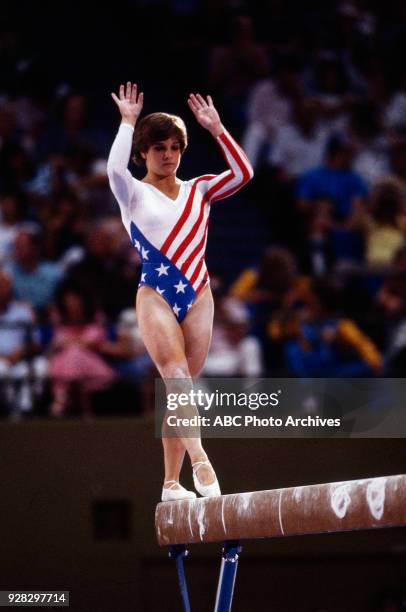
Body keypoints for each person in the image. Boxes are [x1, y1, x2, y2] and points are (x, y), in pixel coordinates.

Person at [107, 82, 253, 501]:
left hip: (199, 294)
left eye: (174, 147)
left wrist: (218, 129)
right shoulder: (132, 191)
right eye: (158, 148)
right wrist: (127, 122)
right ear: (143, 153)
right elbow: (114, 170)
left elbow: (244, 174)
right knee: (174, 376)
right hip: (155, 291)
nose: (168, 155)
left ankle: (172, 483)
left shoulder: (200, 189)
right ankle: (201, 460)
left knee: (181, 386)